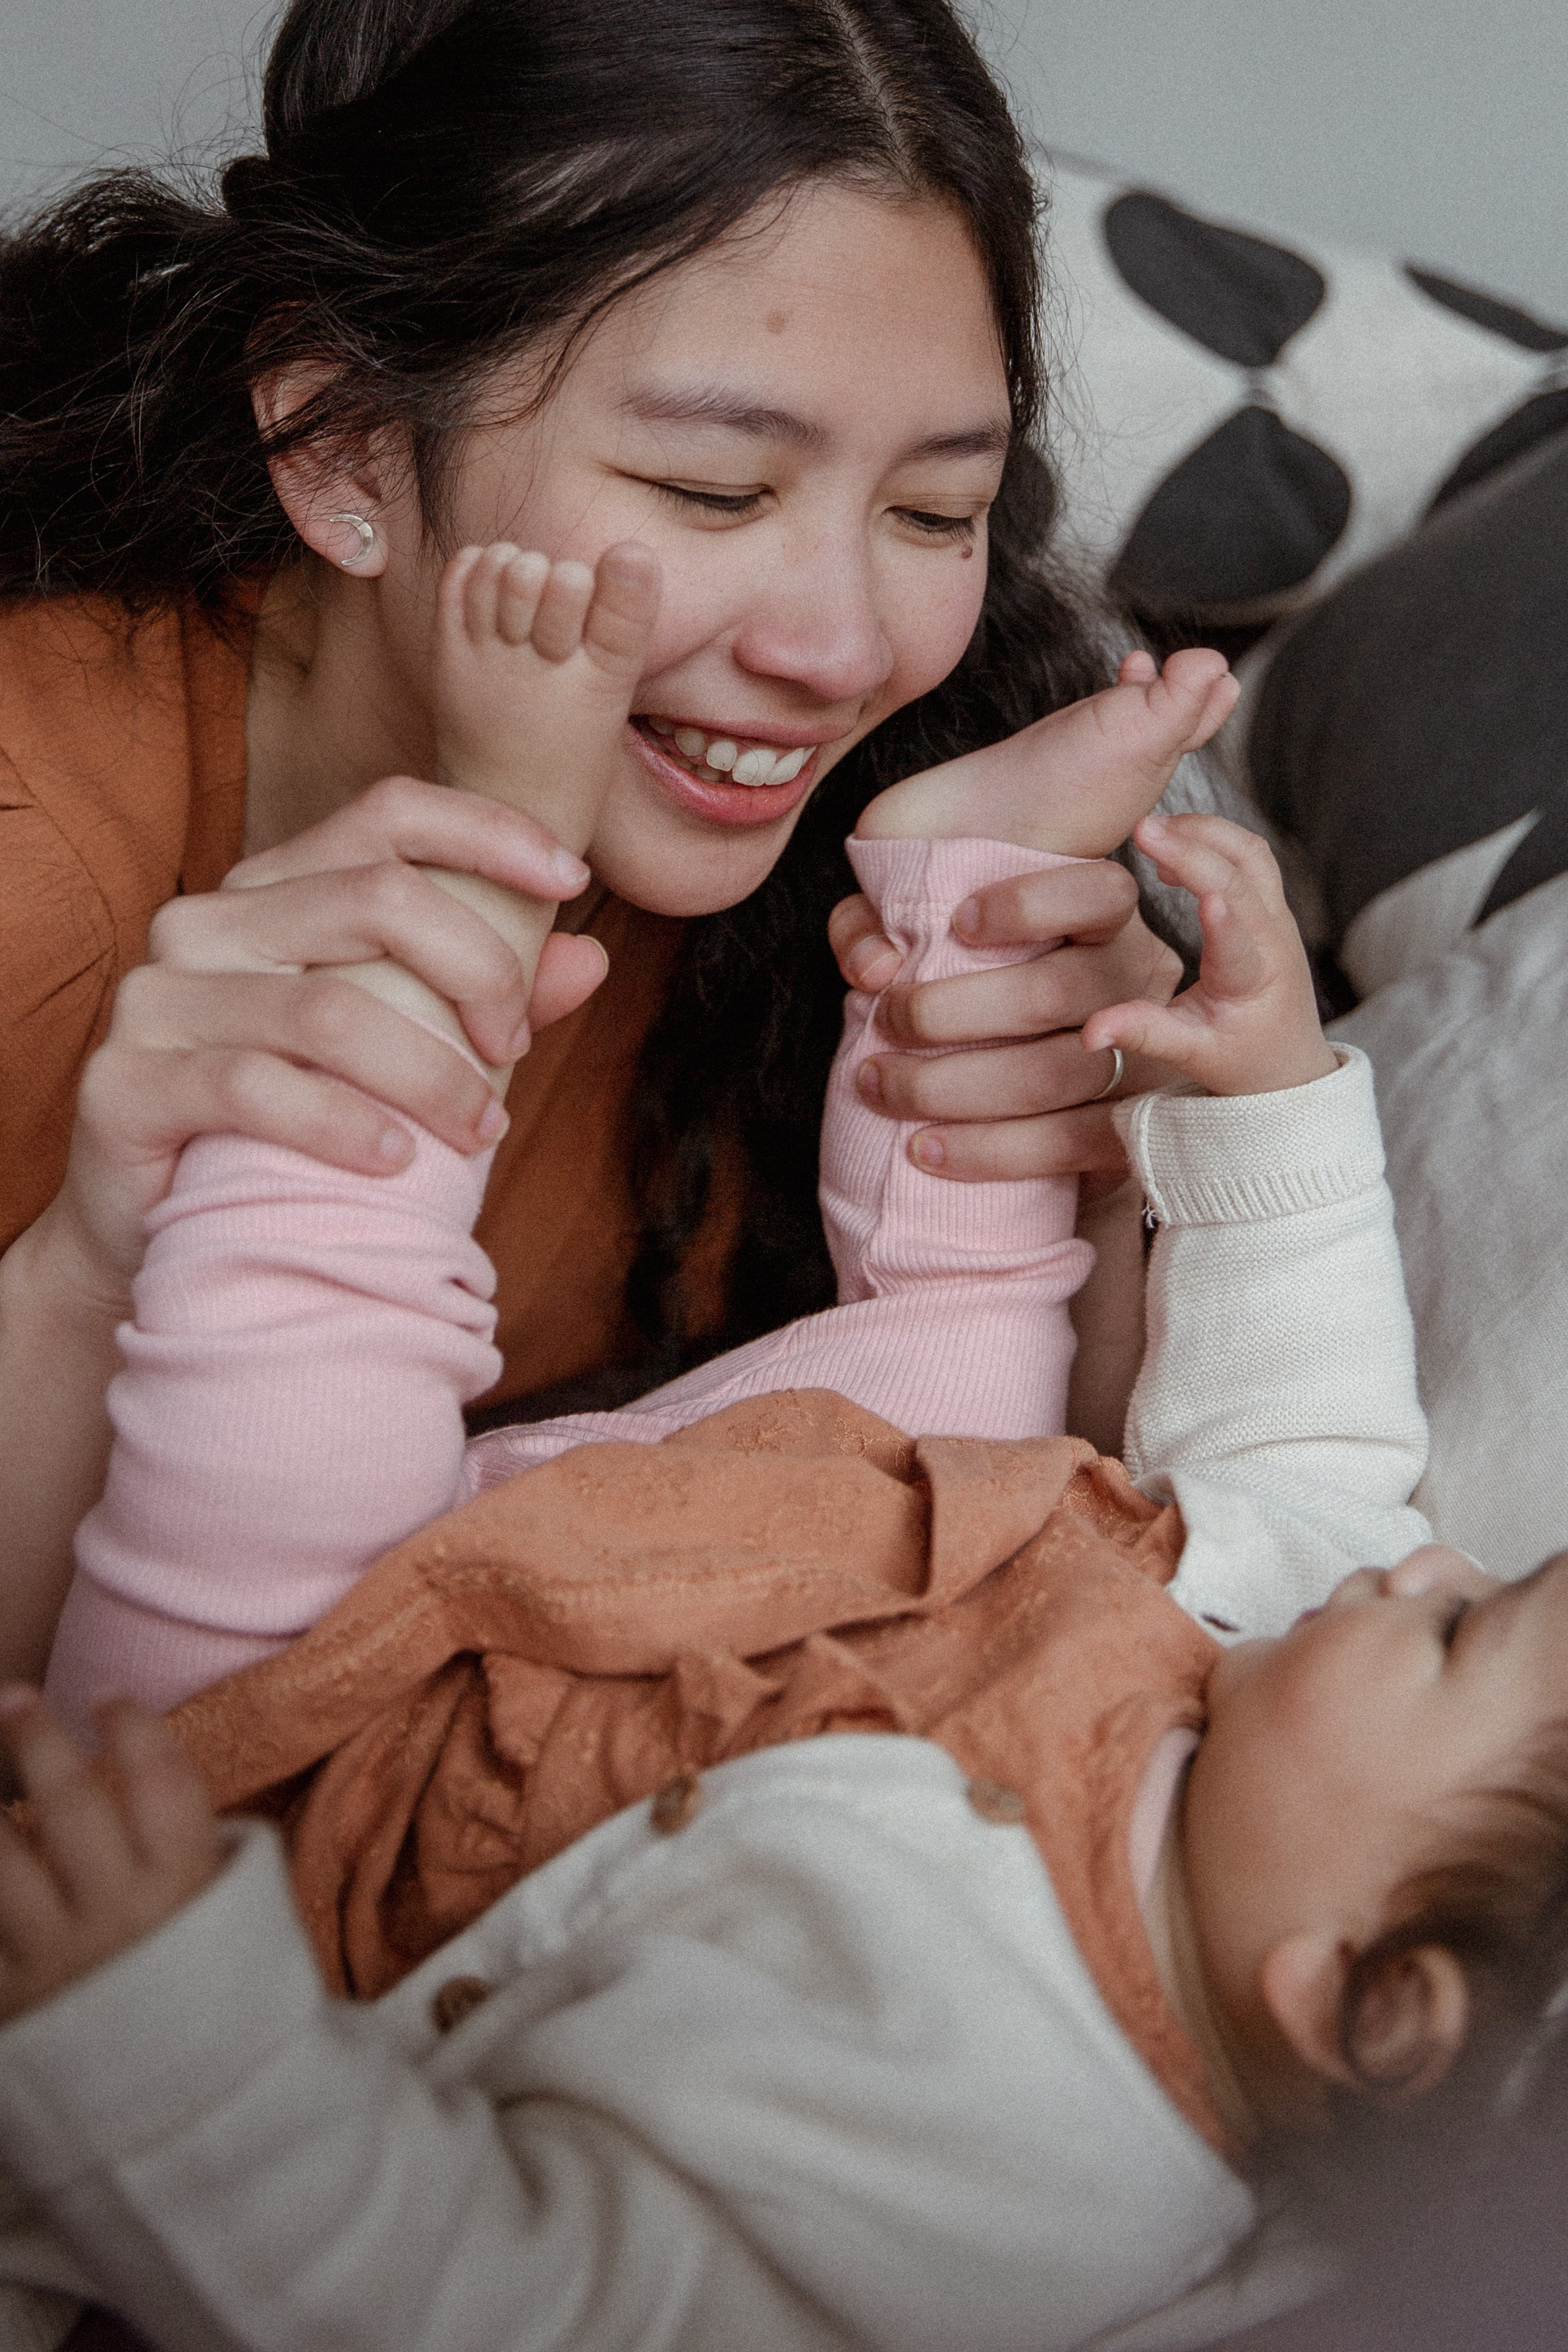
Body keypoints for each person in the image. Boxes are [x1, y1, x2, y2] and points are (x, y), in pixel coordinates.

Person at [0, 710, 1559, 2343]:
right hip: (688, 1528)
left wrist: (177, 2044)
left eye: (1459, 1634)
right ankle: (967, 893)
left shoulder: (999, 2187)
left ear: (1372, 2006)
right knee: (983, 1327)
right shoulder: (1287, 1631)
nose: (1429, 1559)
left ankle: (454, 901)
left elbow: (491, 2304)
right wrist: (1269, 1085)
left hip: (301, 1770)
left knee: (303, 1334)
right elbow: (1308, 1423)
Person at [0, 0, 1189, 1695]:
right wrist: (81, 1272)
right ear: (338, 436)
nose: (839, 648)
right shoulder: (36, 850)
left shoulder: (836, 897)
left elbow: (1067, 1539)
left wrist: (1136, 1134)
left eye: (934, 512)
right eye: (711, 490)